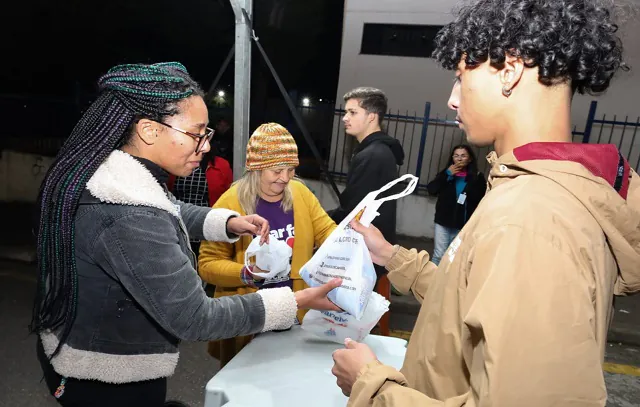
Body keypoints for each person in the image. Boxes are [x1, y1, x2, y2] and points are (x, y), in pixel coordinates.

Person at [331, 1, 639, 406]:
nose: (452, 99)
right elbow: (468, 302)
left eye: (462, 78)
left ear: (509, 71)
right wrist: (393, 257)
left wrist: (372, 387)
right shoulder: (526, 193)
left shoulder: (530, 219)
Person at [30, 62, 341, 407]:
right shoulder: (129, 215)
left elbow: (168, 207)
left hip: (90, 351)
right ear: (149, 130)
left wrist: (227, 222)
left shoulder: (119, 177)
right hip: (110, 377)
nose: (206, 146)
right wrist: (294, 302)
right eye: (197, 133)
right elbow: (195, 317)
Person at [199, 122, 337, 366]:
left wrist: (351, 239)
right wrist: (247, 274)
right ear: (257, 168)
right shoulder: (230, 202)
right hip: (250, 316)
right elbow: (208, 265)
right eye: (276, 171)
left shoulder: (300, 194)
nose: (285, 178)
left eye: (291, 169)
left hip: (295, 312)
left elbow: (328, 233)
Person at [328, 87, 405, 278]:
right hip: (371, 250)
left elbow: (353, 209)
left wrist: (319, 220)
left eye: (353, 112)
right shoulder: (378, 151)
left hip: (365, 253)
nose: (345, 118)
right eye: (346, 112)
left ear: (372, 116)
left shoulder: (372, 155)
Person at [168, 145, 233, 256]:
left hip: (206, 222)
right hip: (179, 224)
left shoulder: (221, 165)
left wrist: (229, 222)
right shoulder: (175, 164)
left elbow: (228, 195)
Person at [426, 144, 486, 264]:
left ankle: (448, 282)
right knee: (439, 254)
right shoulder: (446, 173)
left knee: (454, 258)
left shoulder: (477, 177)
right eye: (456, 156)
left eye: (463, 156)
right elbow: (432, 189)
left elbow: (481, 199)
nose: (459, 159)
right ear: (452, 158)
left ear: (469, 159)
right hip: (443, 222)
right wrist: (448, 175)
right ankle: (433, 281)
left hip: (463, 224)